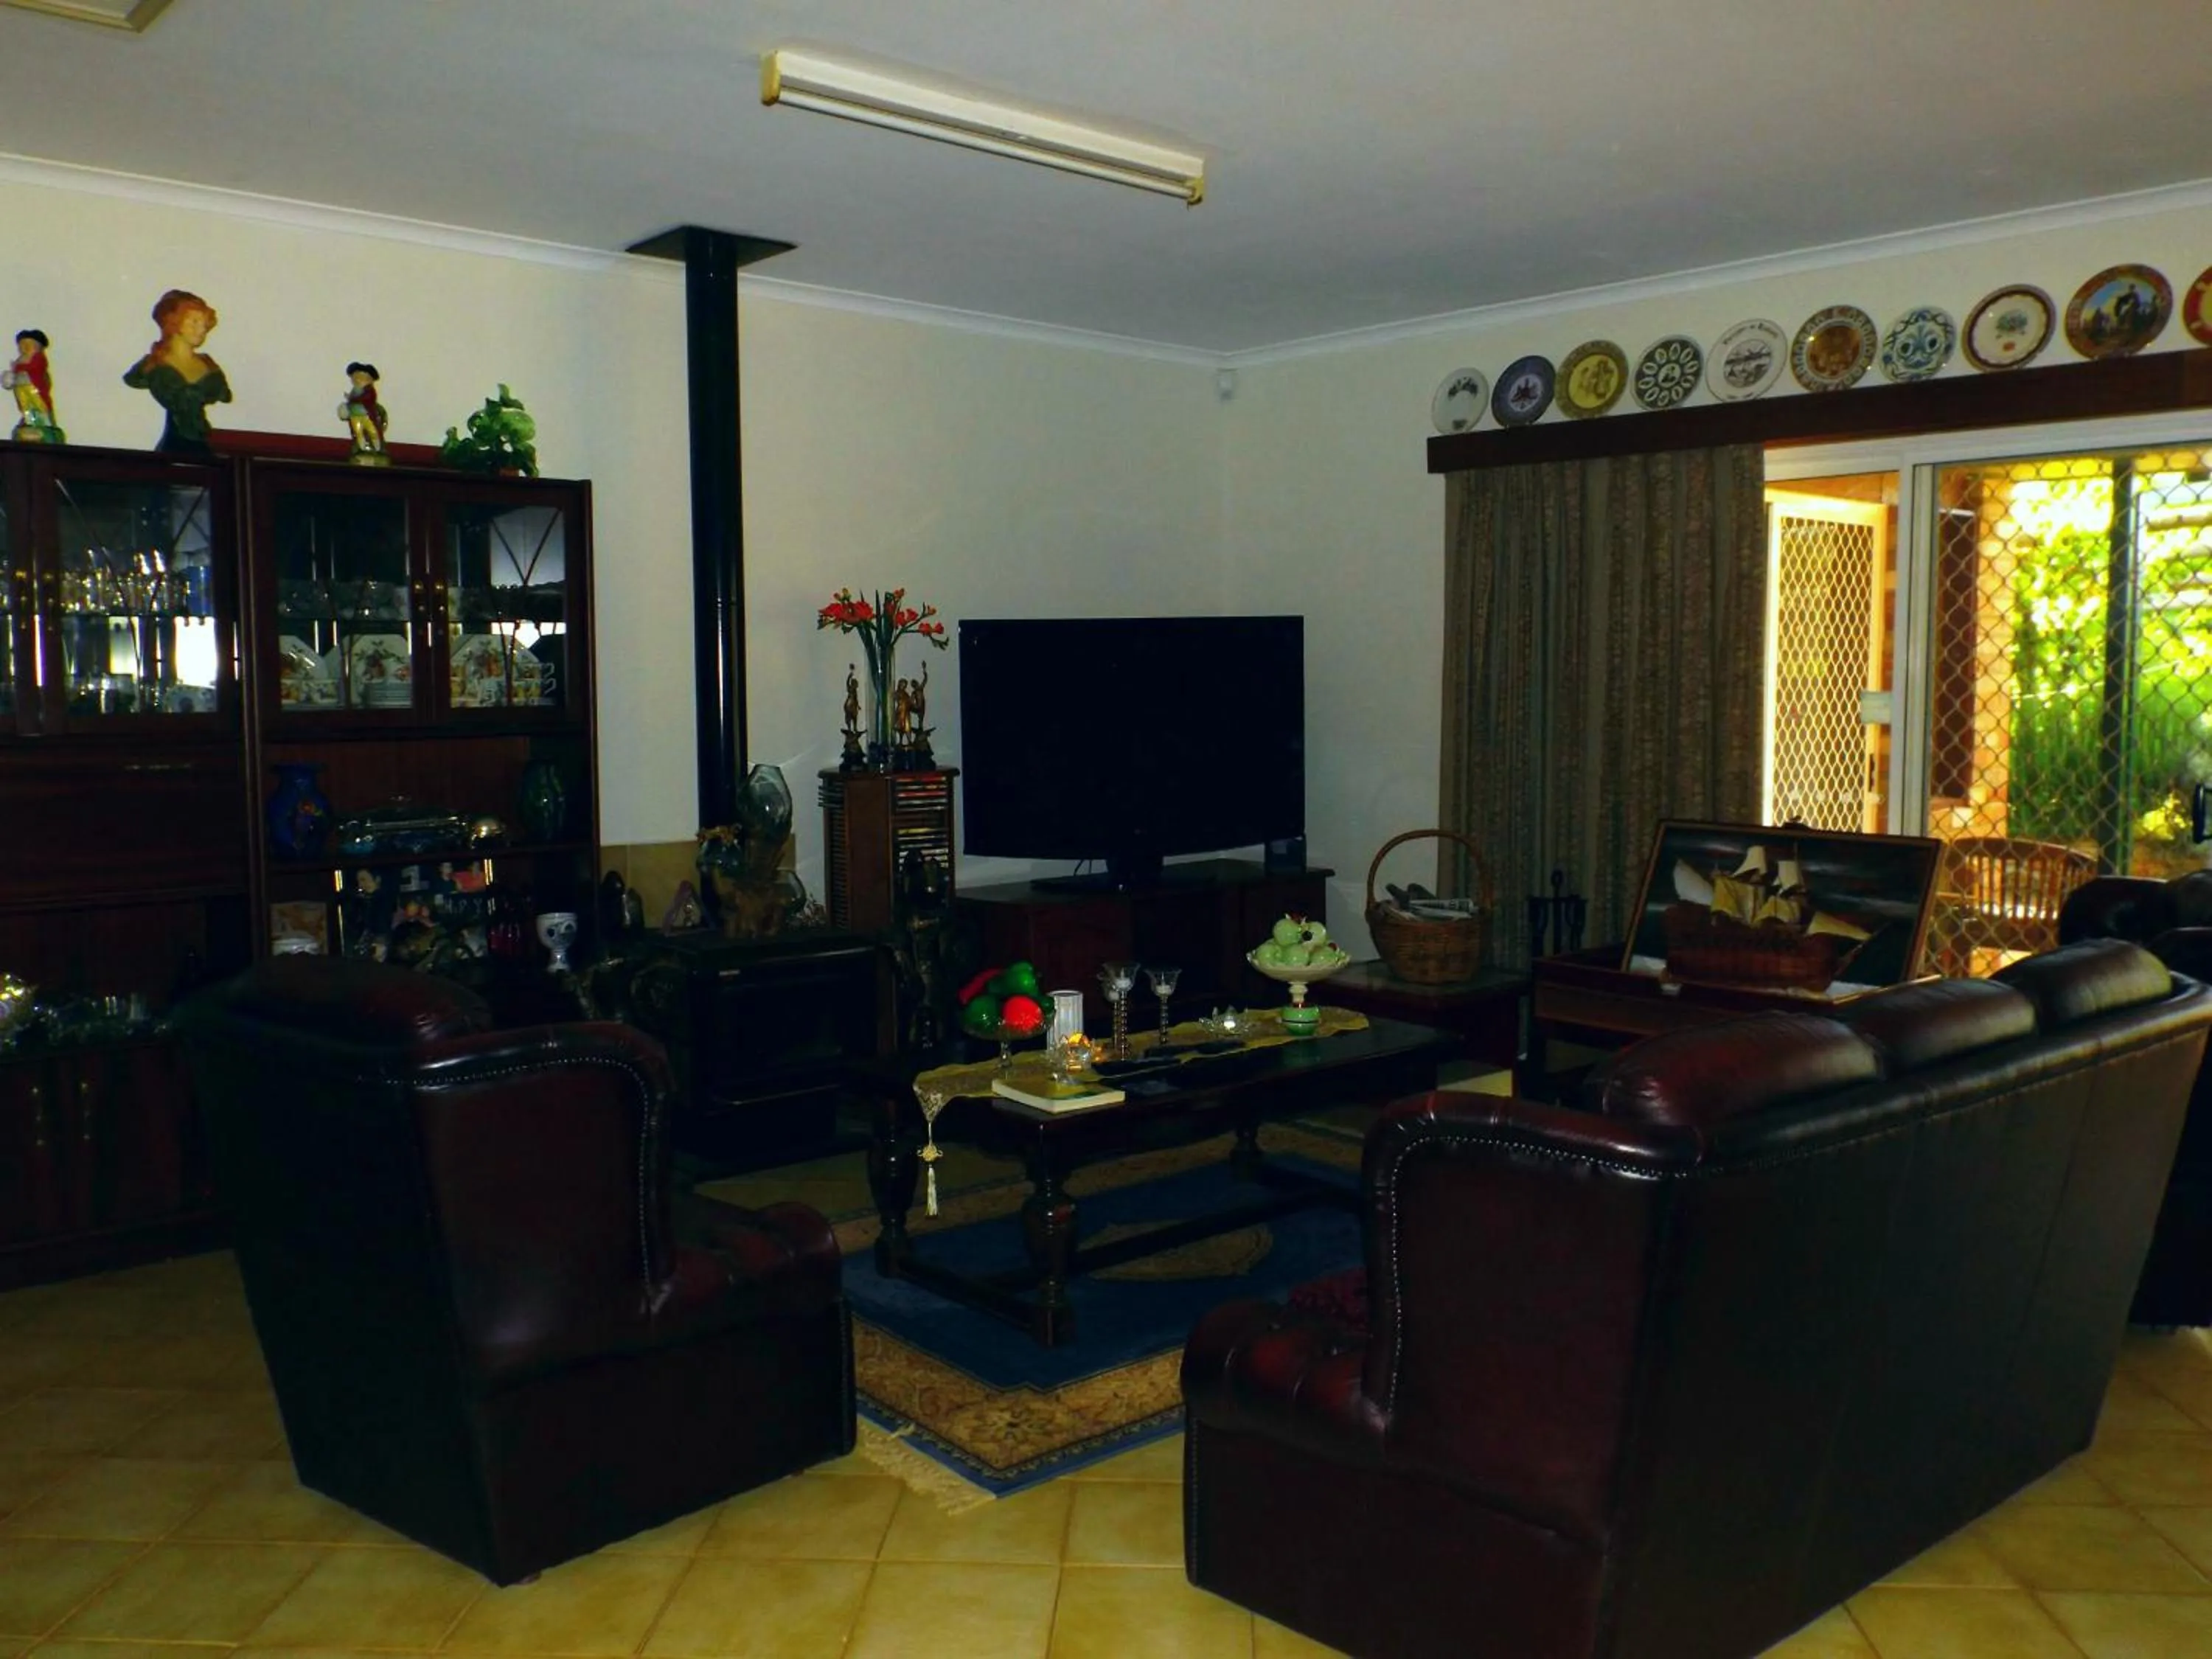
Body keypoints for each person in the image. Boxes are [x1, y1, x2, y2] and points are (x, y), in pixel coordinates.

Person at [121, 290, 232, 456]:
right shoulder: (153, 366)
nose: (201, 329)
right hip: (171, 452)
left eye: (204, 323)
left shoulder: (209, 366)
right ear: (174, 322)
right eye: (194, 322)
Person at [3, 330, 62, 442]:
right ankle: (29, 422)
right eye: (22, 346)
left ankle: (42, 426)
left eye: (28, 345)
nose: (24, 349)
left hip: (34, 392)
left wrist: (18, 375)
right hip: (24, 393)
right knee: (27, 409)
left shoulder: (38, 360)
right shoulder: (20, 362)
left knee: (38, 408)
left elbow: (33, 372)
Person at [337, 361, 389, 462]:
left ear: (369, 379)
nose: (356, 380)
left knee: (372, 431)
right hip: (356, 417)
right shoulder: (355, 391)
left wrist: (354, 400)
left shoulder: (369, 391)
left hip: (367, 416)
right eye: (354, 378)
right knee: (358, 432)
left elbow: (367, 399)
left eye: (360, 378)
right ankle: (361, 447)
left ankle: (377, 447)